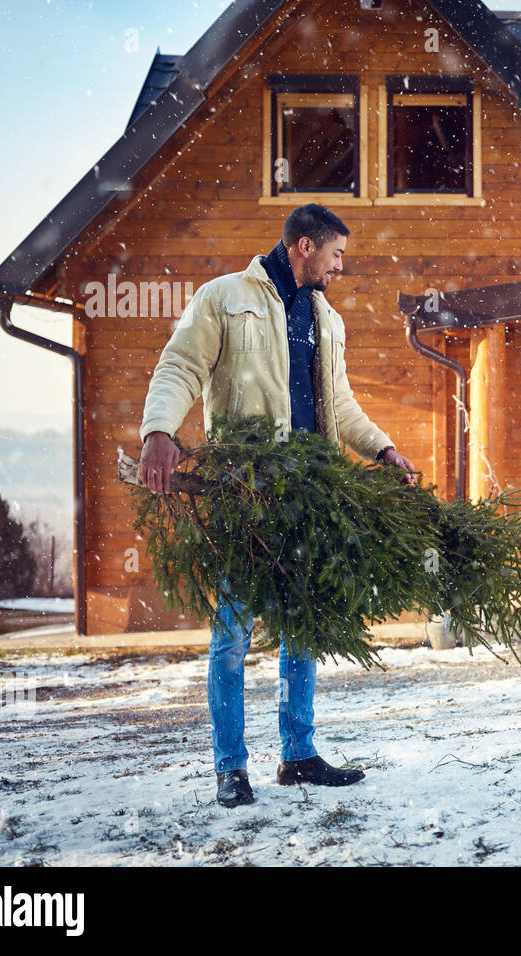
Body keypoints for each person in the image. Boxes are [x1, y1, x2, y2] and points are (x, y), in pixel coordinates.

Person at [138, 203, 416, 808]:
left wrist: (383, 449)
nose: (341, 267)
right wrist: (159, 430)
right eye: (336, 254)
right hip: (245, 495)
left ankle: (297, 755)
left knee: (304, 631)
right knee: (233, 634)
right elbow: (180, 365)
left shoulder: (326, 318)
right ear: (305, 246)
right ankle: (230, 768)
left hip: (309, 496)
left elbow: (338, 404)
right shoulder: (223, 298)